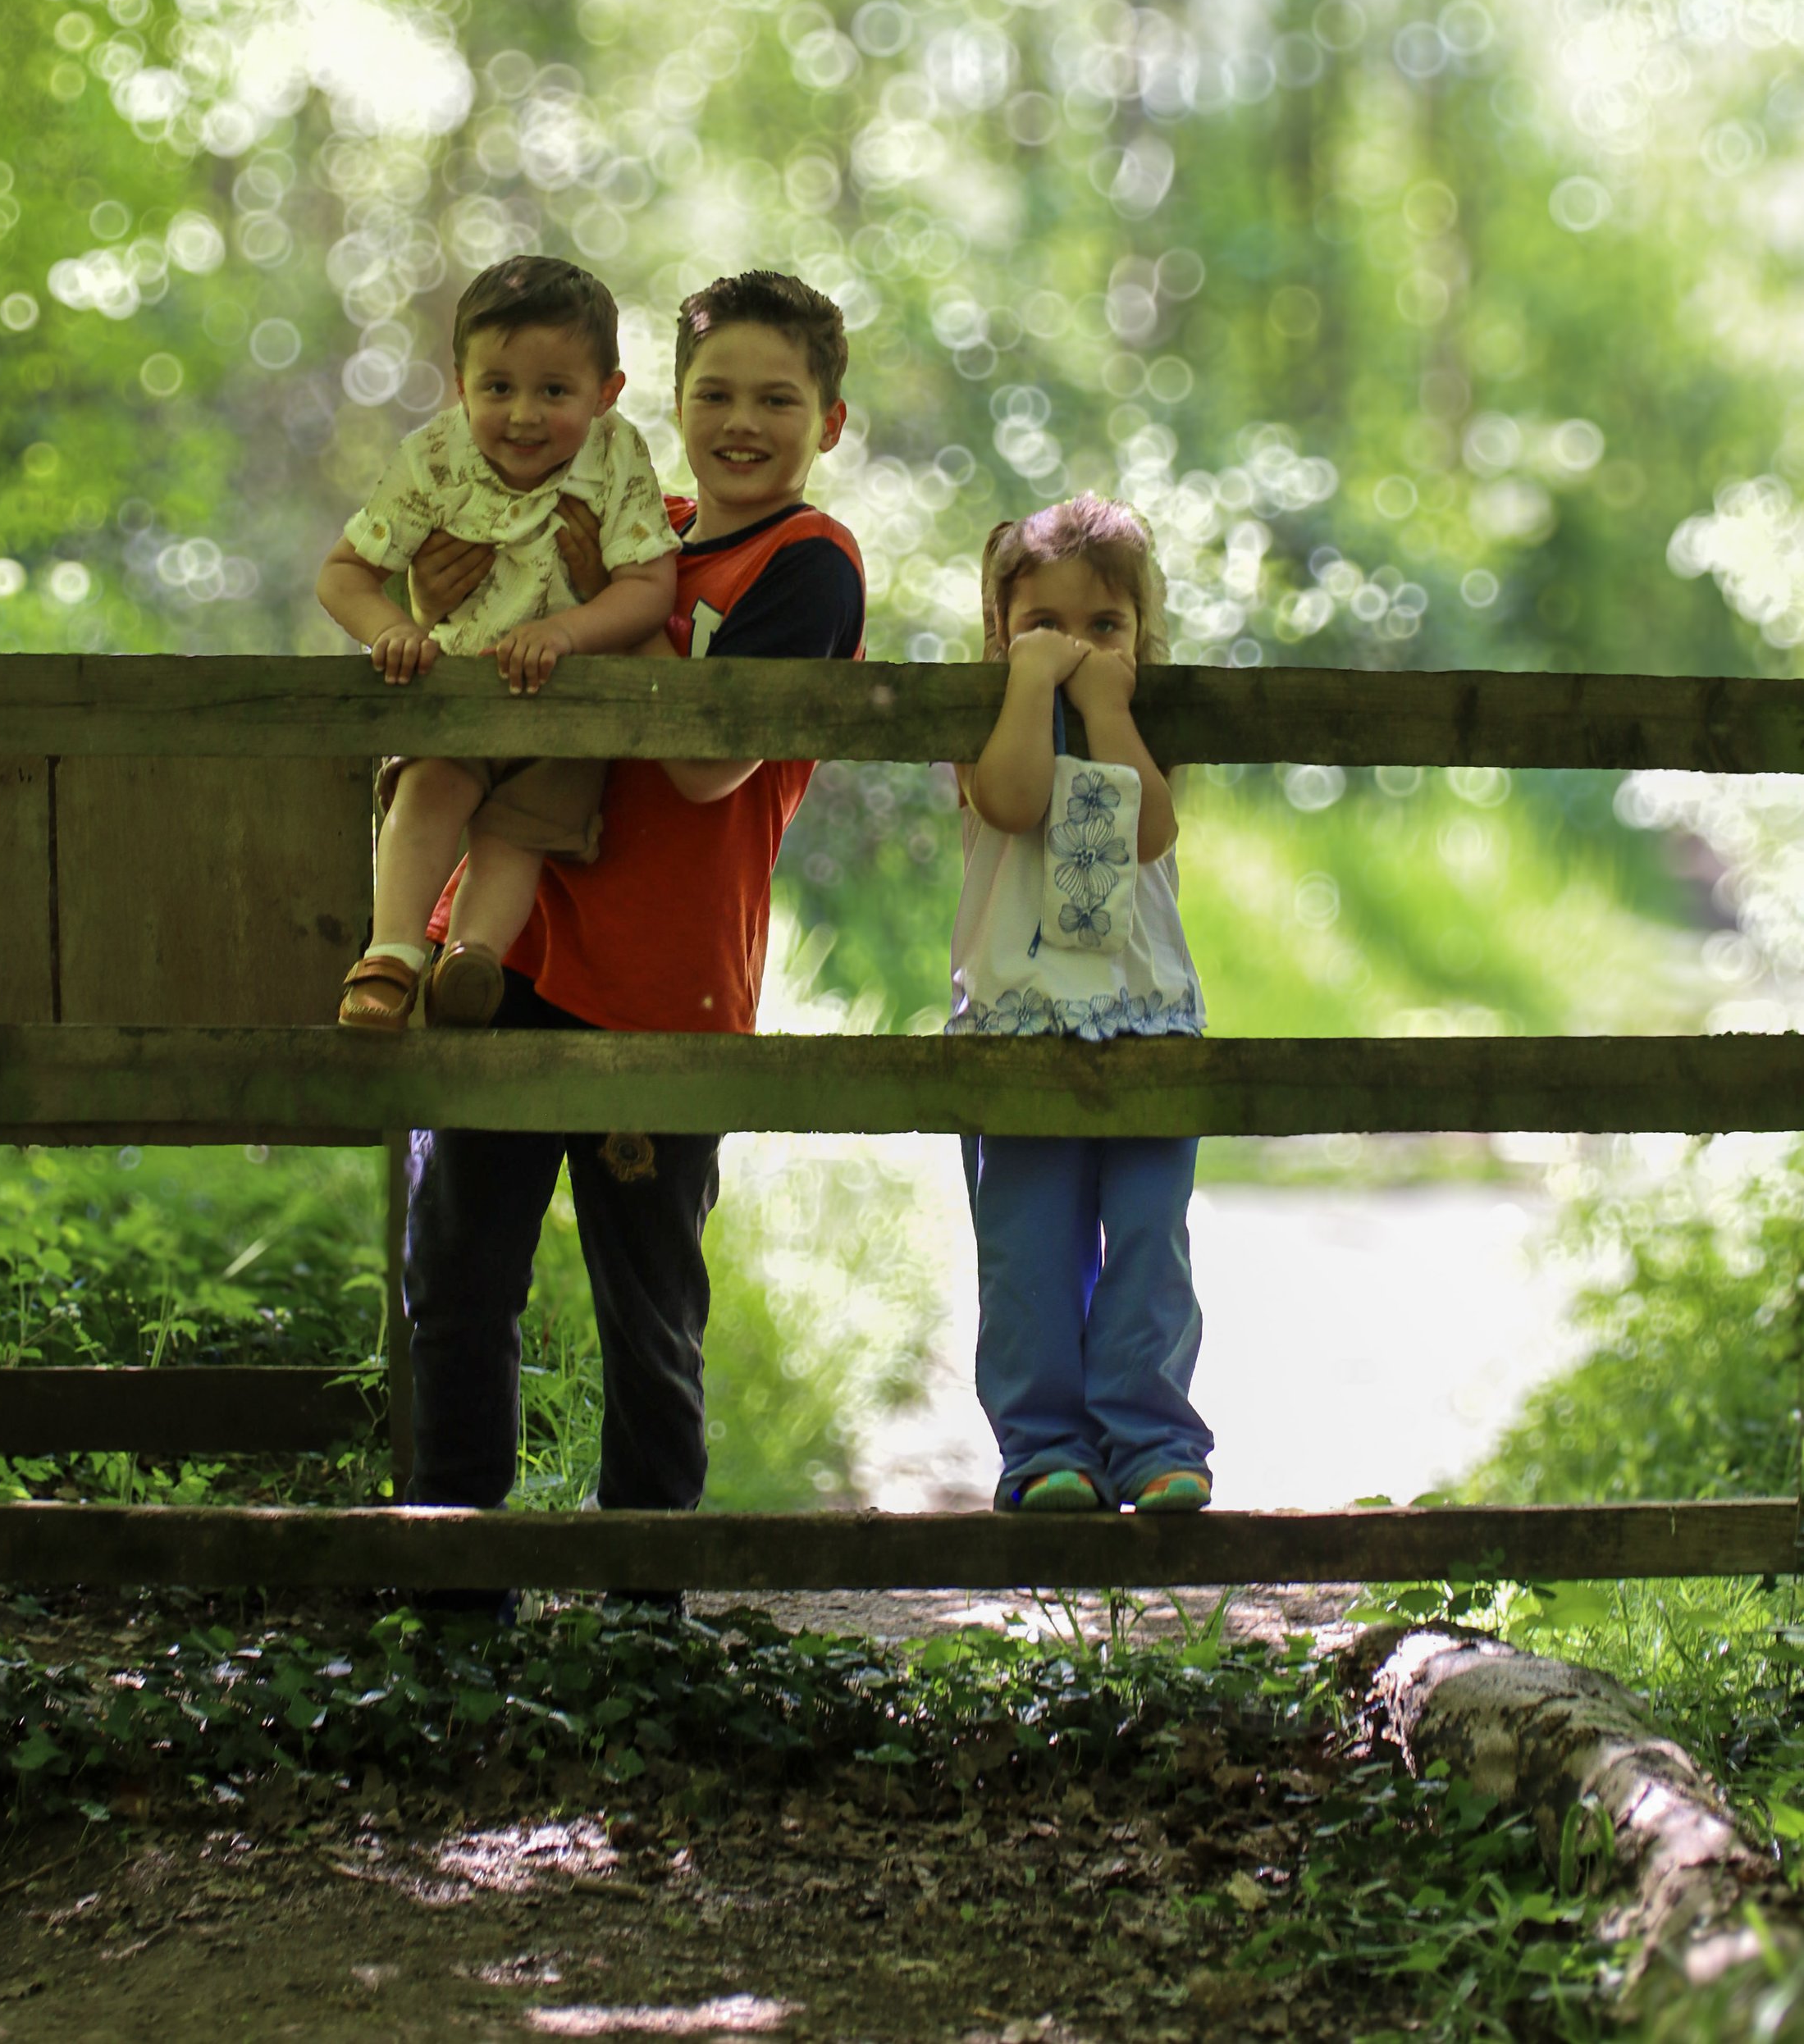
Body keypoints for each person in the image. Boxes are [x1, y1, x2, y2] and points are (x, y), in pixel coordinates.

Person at [400, 269, 865, 1524]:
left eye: (778, 396)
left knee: (647, 1307)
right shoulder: (625, 523)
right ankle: (454, 1585)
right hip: (504, 951)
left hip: (665, 980)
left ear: (829, 418)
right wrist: (447, 586)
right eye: (713, 392)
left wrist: (627, 606)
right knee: (454, 1275)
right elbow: (476, 603)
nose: (741, 421)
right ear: (670, 400)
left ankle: (644, 1600)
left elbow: (711, 766)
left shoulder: (807, 563)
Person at [316, 254, 678, 1032]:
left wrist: (565, 631)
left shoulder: (616, 456)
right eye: (498, 387)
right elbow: (344, 574)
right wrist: (397, 633)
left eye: (555, 391)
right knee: (428, 793)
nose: (522, 414)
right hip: (460, 689)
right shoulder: (436, 459)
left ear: (607, 394)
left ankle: (471, 963)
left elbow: (652, 587)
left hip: (566, 705)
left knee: (518, 837)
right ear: (459, 384)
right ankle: (392, 954)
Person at [953, 492, 1214, 1515]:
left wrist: (1107, 708)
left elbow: (1145, 832)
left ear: (1142, 635)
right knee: (1027, 1248)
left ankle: (1150, 1440)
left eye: (1102, 625)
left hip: (1145, 1016)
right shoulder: (987, 726)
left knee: (1149, 1240)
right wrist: (1031, 686)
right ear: (1001, 634)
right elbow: (1013, 800)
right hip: (1020, 1021)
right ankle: (1046, 1448)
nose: (1072, 646)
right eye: (1041, 626)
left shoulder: (1141, 724)